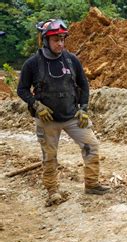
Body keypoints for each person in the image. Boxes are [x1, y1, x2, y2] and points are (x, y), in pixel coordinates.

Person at [17, 19, 110, 206]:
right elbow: (22, 89)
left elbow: (83, 84)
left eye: (62, 39)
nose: (60, 43)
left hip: (72, 116)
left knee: (91, 145)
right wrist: (36, 105)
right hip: (47, 119)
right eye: (55, 40)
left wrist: (83, 108)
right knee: (49, 156)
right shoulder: (33, 63)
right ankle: (52, 191)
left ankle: (91, 184)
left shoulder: (71, 59)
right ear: (45, 41)